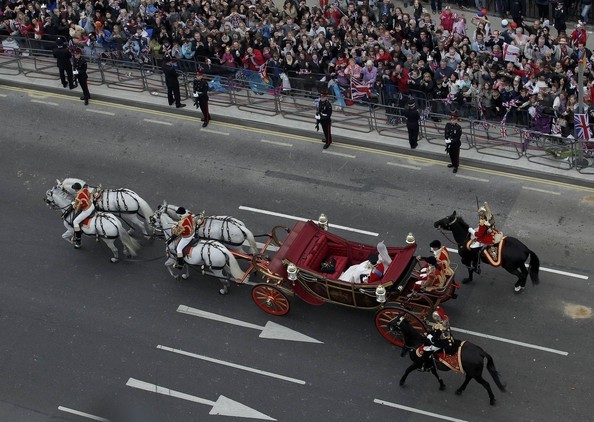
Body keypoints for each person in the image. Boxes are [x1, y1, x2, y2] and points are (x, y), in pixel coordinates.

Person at [71, 182, 95, 249]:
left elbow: (78, 207)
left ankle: (78, 240)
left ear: (75, 189)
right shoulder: (85, 189)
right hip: (92, 206)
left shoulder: (78, 197)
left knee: (75, 222)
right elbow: (90, 195)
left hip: (87, 210)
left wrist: (74, 206)